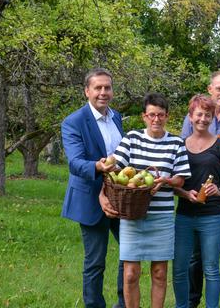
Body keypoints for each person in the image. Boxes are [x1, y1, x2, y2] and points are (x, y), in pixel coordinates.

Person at [101, 93, 191, 308]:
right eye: (151, 115)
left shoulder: (176, 143)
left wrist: (166, 180)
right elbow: (115, 171)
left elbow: (180, 180)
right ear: (144, 116)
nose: (156, 120)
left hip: (162, 216)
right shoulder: (132, 138)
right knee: (131, 273)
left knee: (159, 273)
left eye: (160, 115)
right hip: (132, 216)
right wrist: (104, 180)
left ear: (167, 116)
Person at [180, 71, 220, 308]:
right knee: (194, 259)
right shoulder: (190, 122)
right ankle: (191, 301)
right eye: (219, 88)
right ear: (210, 89)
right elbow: (182, 160)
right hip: (191, 204)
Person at [61, 68, 126, 308]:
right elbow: (75, 163)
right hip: (91, 199)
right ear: (87, 91)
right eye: (97, 88)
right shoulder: (74, 122)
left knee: (128, 255)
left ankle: (124, 303)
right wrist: (98, 167)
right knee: (95, 261)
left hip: (121, 197)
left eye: (107, 87)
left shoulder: (116, 117)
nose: (103, 92)